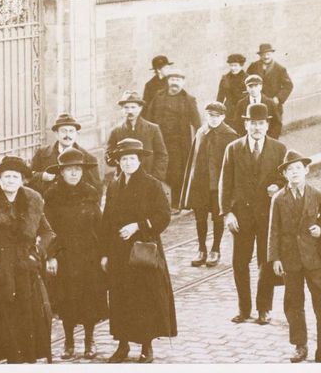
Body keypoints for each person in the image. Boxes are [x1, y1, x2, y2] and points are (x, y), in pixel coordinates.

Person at [0, 156, 55, 364]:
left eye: (15, 177)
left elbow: (48, 232)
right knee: (0, 321)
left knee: (26, 317)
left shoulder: (32, 200)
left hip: (25, 268)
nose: (11, 181)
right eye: (7, 176)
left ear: (22, 180)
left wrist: (35, 255)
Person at [101, 139, 177, 363]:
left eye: (132, 159)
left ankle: (146, 346)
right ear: (118, 162)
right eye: (123, 159)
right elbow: (106, 221)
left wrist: (138, 226)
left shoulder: (151, 185)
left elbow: (164, 215)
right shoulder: (114, 185)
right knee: (120, 298)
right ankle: (122, 345)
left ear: (139, 160)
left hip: (143, 250)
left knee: (144, 298)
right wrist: (104, 253)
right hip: (118, 252)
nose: (127, 163)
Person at [268, 150, 321, 364]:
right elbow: (273, 230)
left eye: (298, 169)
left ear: (306, 171)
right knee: (293, 303)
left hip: (314, 259)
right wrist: (275, 258)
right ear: (284, 174)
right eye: (290, 170)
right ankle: (300, 346)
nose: (294, 173)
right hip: (290, 259)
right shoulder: (278, 199)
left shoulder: (315, 194)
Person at [219, 103, 288, 326]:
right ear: (246, 125)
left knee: (266, 263)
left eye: (261, 123)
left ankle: (264, 309)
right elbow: (225, 183)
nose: (257, 128)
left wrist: (278, 186)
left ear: (267, 125)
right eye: (252, 123)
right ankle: (244, 309)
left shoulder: (279, 149)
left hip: (268, 217)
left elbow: (286, 178)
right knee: (240, 263)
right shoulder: (233, 149)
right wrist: (227, 213)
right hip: (241, 218)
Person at [43, 149, 107, 360]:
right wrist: (51, 256)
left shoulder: (90, 193)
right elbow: (47, 229)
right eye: (69, 169)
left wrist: (104, 254)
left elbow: (100, 226)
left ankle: (89, 341)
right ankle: (68, 342)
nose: (74, 173)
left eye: (77, 169)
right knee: (66, 300)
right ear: (61, 172)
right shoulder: (52, 196)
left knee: (89, 299)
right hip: (64, 256)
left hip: (89, 255)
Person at [181, 101, 238, 267]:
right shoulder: (201, 132)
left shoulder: (230, 135)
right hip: (201, 184)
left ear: (223, 117)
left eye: (216, 116)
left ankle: (215, 249)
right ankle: (201, 249)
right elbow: (193, 161)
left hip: (219, 186)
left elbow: (234, 164)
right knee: (200, 218)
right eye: (210, 115)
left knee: (217, 218)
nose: (213, 119)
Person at [144, 67, 202, 209]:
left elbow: (197, 123)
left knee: (176, 173)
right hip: (159, 141)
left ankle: (176, 203)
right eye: (172, 79)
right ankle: (158, 203)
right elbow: (149, 117)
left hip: (179, 143)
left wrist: (200, 141)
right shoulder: (158, 97)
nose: (175, 82)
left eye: (178, 80)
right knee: (158, 170)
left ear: (183, 82)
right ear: (168, 81)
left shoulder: (188, 100)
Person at [105, 91, 169, 184]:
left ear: (140, 108)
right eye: (126, 107)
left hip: (148, 179)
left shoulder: (153, 129)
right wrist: (120, 161)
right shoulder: (116, 131)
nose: (130, 111)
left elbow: (162, 155)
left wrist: (156, 178)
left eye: (133, 107)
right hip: (125, 180)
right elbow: (108, 157)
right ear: (122, 109)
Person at [29, 113, 100, 194]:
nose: (68, 135)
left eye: (71, 131)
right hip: (48, 200)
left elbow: (96, 190)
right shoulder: (42, 154)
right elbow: (28, 178)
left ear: (76, 134)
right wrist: (42, 176)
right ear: (56, 134)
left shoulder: (88, 159)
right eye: (63, 131)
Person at [233, 74, 284, 140]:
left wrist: (271, 139)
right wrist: (245, 138)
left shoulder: (270, 103)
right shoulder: (241, 104)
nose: (253, 89)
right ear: (246, 88)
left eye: (256, 86)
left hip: (267, 138)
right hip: (248, 139)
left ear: (261, 87)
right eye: (250, 86)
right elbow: (237, 123)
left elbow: (277, 123)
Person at [248, 43, 295, 112]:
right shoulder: (253, 66)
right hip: (257, 103)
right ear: (260, 55)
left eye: (268, 54)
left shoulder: (280, 69)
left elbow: (288, 85)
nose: (266, 57)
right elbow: (246, 81)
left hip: (273, 104)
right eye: (263, 55)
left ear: (272, 54)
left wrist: (278, 98)